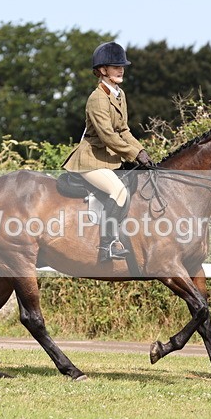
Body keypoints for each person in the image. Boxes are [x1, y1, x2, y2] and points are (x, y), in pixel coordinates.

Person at [62, 41, 153, 262]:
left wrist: (141, 151)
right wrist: (133, 155)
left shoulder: (119, 94)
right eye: (116, 67)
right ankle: (107, 245)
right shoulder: (97, 99)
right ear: (103, 70)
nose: (121, 70)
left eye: (122, 66)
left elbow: (123, 130)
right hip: (90, 160)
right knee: (118, 191)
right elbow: (108, 136)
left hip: (109, 159)